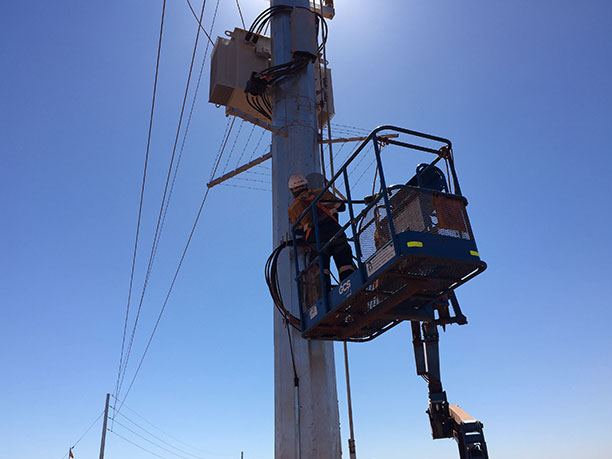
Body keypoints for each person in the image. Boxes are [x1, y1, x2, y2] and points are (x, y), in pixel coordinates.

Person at [287, 174, 356, 285]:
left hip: (317, 239)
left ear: (292, 190)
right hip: (335, 232)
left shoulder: (293, 208)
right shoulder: (322, 192)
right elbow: (342, 207)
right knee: (344, 262)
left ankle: (325, 295)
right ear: (306, 185)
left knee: (321, 270)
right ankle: (350, 287)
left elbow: (298, 230)